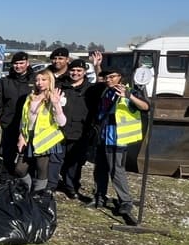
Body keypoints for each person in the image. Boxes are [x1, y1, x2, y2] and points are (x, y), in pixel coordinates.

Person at [88, 65, 149, 224]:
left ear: (120, 76)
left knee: (117, 171)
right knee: (100, 169)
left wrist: (129, 96)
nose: (109, 80)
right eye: (107, 77)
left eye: (112, 77)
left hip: (118, 138)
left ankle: (126, 202)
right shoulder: (106, 91)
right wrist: (96, 66)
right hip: (103, 136)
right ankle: (99, 197)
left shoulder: (130, 91)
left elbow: (146, 106)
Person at [17, 69, 66, 193]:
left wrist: (56, 104)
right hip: (29, 137)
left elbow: (62, 122)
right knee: (20, 169)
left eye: (43, 80)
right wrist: (21, 136)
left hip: (44, 140)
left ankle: (37, 195)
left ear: (50, 81)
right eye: (37, 80)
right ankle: (27, 190)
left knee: (41, 170)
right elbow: (24, 119)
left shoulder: (53, 98)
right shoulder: (30, 97)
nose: (39, 83)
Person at [56, 59, 94, 200]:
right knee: (57, 160)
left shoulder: (90, 89)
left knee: (75, 162)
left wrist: (97, 65)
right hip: (59, 130)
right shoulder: (61, 86)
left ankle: (71, 187)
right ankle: (55, 183)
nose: (75, 73)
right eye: (73, 70)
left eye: (79, 71)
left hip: (80, 131)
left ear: (84, 72)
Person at [0, 51, 36, 174]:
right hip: (9, 124)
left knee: (27, 156)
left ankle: (25, 178)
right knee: (7, 155)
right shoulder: (4, 81)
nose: (18, 66)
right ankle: (7, 177)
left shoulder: (35, 80)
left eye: (21, 63)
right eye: (15, 64)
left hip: (30, 126)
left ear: (27, 63)